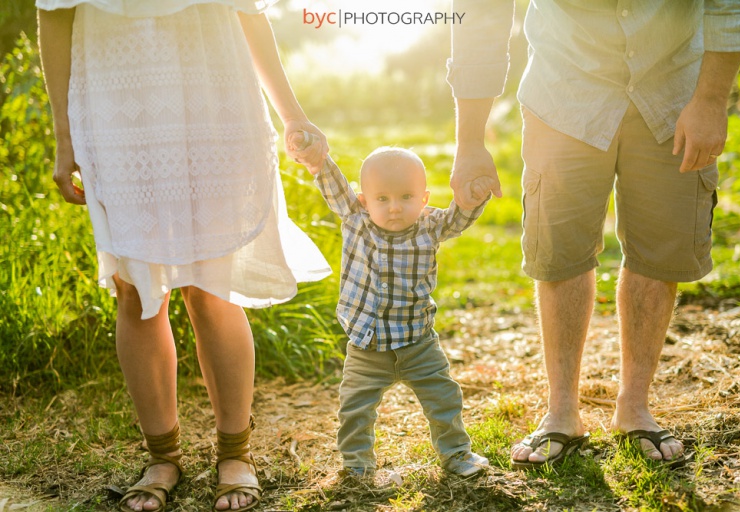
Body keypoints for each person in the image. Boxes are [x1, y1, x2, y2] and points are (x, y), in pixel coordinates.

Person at [447, 0, 740, 468]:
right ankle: (561, 412)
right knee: (560, 251)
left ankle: (634, 407)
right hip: (564, 92)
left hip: (674, 90)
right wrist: (470, 142)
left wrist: (711, 101)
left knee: (660, 251)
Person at [37, 1, 330, 510]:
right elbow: (54, 12)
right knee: (136, 290)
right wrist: (64, 137)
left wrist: (293, 116)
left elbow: (249, 11)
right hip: (114, 100)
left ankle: (235, 453)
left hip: (214, 90)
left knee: (213, 286)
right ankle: (162, 457)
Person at [291, 134, 490, 477]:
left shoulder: (430, 226)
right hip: (366, 346)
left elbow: (459, 218)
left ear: (424, 198)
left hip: (418, 343)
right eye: (382, 198)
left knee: (444, 399)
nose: (394, 207)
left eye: (406, 197)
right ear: (364, 200)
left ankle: (457, 453)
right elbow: (333, 185)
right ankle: (357, 464)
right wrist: (317, 162)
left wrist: (472, 198)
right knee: (355, 408)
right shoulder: (356, 218)